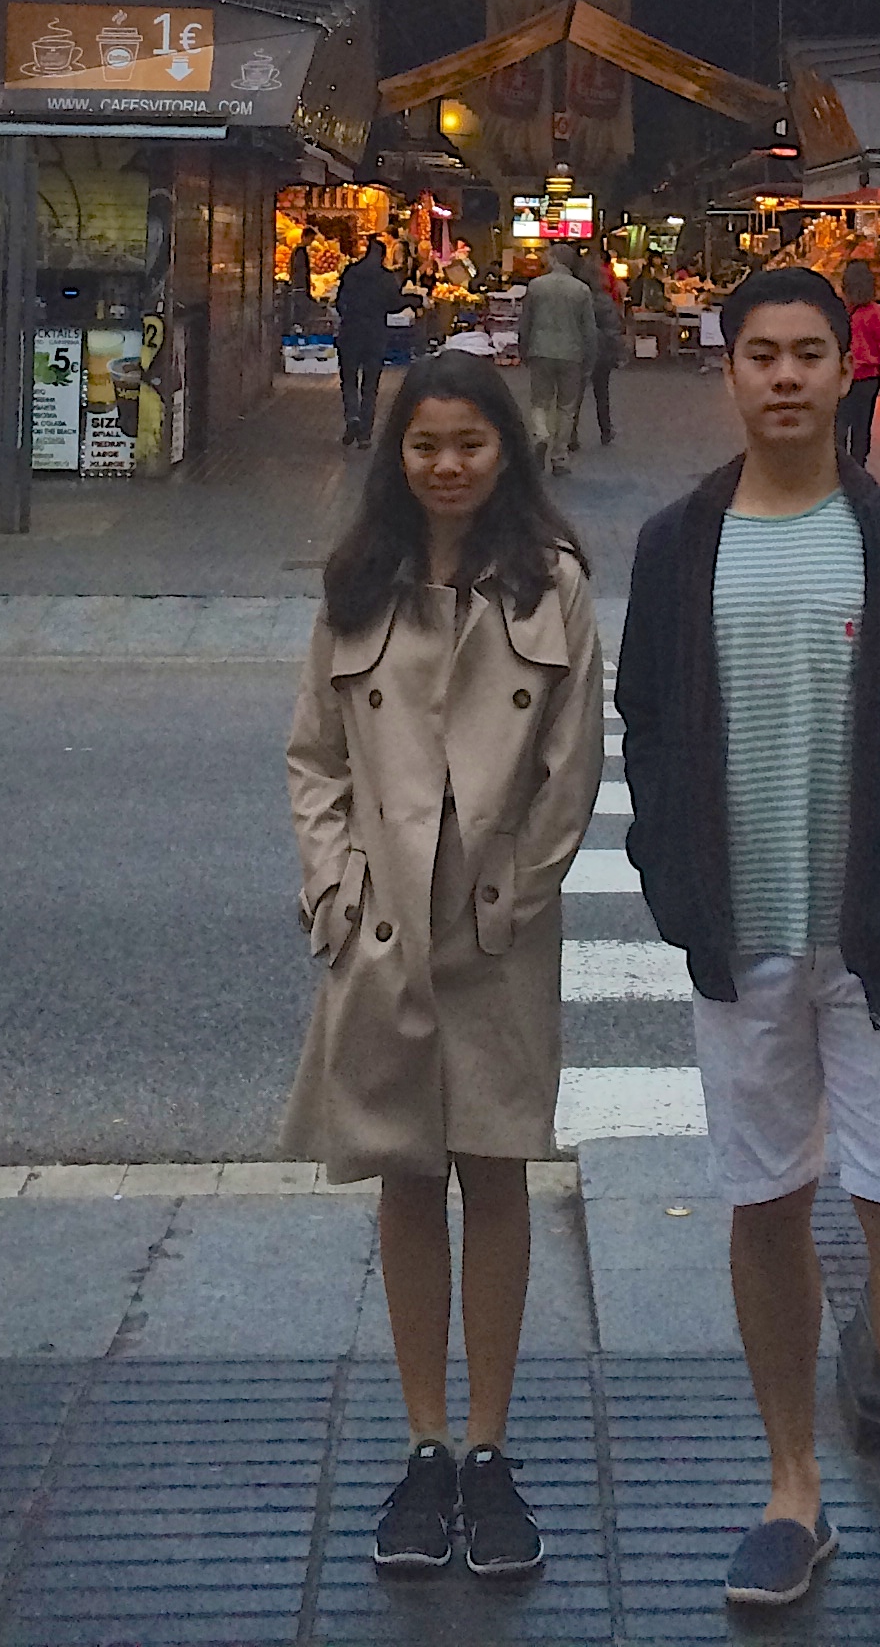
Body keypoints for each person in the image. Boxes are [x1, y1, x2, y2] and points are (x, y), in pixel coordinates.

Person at [615, 266, 880, 1645]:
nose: (784, 376)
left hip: (878, 944)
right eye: (760, 355)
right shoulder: (679, 545)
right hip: (744, 937)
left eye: (807, 354)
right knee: (766, 1209)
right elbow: (648, 722)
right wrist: (674, 879)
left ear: (850, 370)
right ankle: (794, 1489)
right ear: (727, 372)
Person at [282, 353, 604, 1584]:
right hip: (384, 926)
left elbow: (571, 763)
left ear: (506, 451)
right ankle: (425, 1441)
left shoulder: (551, 583)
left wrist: (520, 886)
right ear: (398, 456)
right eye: (426, 445)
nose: (448, 464)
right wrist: (336, 890)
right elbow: (315, 757)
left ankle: (488, 1444)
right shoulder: (358, 583)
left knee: (498, 1170)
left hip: (496, 921)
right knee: (405, 1175)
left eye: (470, 443)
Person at [515, 241, 595, 472]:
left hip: (540, 350)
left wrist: (523, 349)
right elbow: (589, 330)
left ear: (554, 260)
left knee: (540, 401)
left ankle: (541, 434)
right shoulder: (582, 290)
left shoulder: (536, 286)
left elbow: (526, 322)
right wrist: (589, 359)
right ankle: (559, 457)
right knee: (567, 407)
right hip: (572, 353)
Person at [333, 234, 394, 449]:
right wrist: (413, 301)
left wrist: (348, 316)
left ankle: (352, 416)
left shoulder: (351, 272)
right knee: (370, 385)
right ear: (382, 256)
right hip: (375, 335)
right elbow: (394, 304)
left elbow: (340, 301)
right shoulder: (386, 277)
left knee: (349, 379)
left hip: (351, 333)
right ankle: (365, 434)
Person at [839, 258, 880, 470]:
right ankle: (858, 466)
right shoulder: (875, 313)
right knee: (862, 424)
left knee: (840, 422)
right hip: (869, 378)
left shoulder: (840, 311)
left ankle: (839, 465)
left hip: (843, 376)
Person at [586, 256, 626, 446]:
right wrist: (618, 353)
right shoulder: (605, 301)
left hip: (580, 350)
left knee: (573, 395)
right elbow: (612, 329)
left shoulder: (580, 296)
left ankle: (570, 435)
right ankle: (606, 430)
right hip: (602, 351)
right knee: (602, 392)